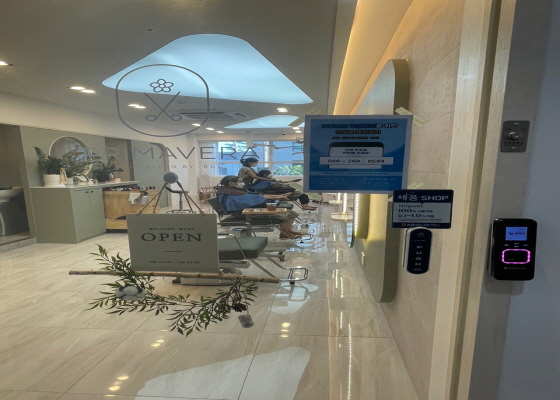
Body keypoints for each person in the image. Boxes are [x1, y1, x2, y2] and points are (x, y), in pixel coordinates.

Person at [216, 175, 303, 238]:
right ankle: (285, 234)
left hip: (246, 210)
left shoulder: (232, 190)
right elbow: (255, 199)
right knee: (286, 214)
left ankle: (288, 232)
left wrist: (278, 196)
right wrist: (277, 197)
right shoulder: (230, 193)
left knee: (291, 213)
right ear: (231, 183)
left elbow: (257, 196)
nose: (242, 183)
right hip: (244, 213)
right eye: (239, 182)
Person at [252, 170, 317, 210]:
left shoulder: (265, 181)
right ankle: (306, 205)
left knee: (301, 191)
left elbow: (279, 182)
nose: (271, 175)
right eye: (270, 173)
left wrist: (291, 181)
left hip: (277, 192)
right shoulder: (266, 182)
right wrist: (289, 184)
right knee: (301, 192)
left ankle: (308, 203)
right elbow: (279, 185)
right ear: (265, 175)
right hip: (277, 194)